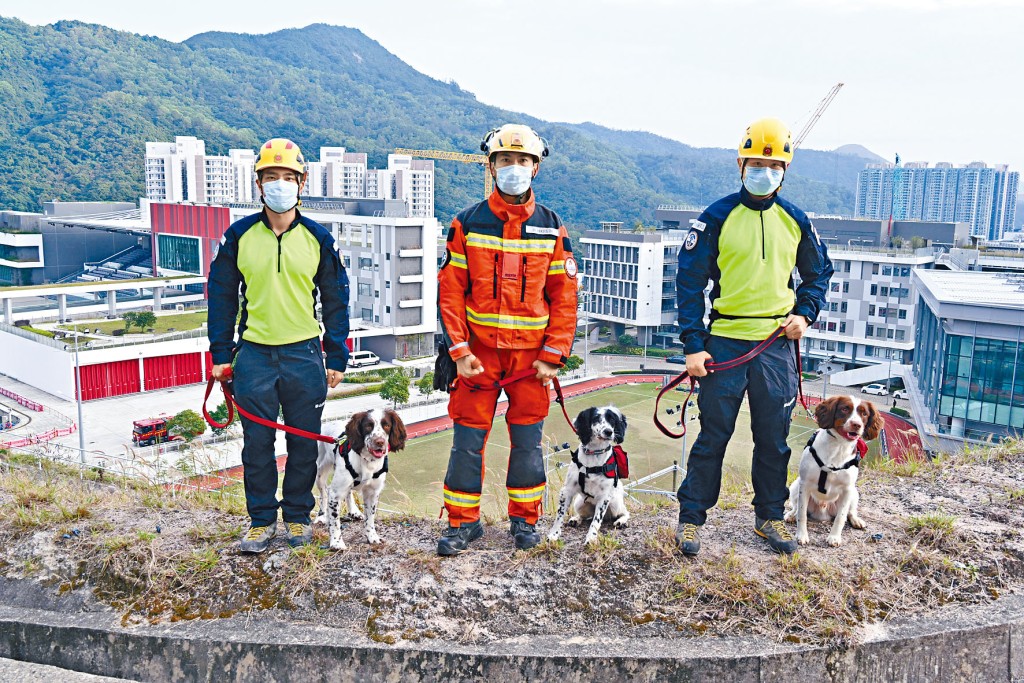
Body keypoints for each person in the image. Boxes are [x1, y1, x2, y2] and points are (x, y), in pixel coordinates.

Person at [673, 118, 833, 556]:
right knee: (712, 437)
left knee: (773, 439)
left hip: (775, 346)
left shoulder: (796, 220)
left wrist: (805, 313)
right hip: (723, 340)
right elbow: (689, 283)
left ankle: (768, 517)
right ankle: (690, 519)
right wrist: (693, 344)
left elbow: (819, 275)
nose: (765, 170)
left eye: (774, 164)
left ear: (785, 169)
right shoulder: (716, 217)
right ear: (741, 164)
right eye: (757, 162)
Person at [436, 124, 578, 555]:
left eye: (522, 161)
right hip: (478, 357)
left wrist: (554, 356)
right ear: (491, 165)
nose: (513, 168)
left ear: (535, 168)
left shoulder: (553, 228)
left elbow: (564, 298)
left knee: (528, 445)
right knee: (467, 443)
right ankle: (463, 524)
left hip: (531, 362)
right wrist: (458, 352)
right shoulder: (466, 223)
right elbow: (451, 292)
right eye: (504, 161)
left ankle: (524, 521)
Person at [208, 138, 350, 553]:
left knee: (304, 441)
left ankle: (298, 517)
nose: (280, 184)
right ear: (259, 184)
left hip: (304, 354)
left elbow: (336, 299)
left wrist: (336, 353)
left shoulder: (319, 239)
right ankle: (260, 521)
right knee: (256, 443)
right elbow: (221, 296)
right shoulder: (238, 236)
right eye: (272, 177)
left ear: (302, 183)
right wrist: (220, 353)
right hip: (253, 354)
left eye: (288, 177)